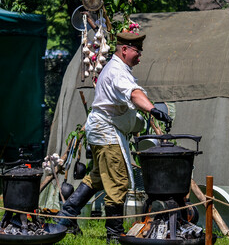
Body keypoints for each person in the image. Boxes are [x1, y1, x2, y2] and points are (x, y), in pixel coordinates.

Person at [55, 32, 172, 243]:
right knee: (118, 183)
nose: (140, 57)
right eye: (137, 51)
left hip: (103, 131)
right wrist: (153, 110)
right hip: (107, 133)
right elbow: (134, 94)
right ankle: (114, 234)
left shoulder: (117, 68)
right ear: (125, 49)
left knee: (98, 179)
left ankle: (64, 217)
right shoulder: (117, 71)